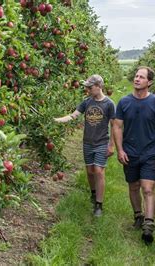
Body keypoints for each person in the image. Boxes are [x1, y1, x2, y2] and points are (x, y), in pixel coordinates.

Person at [112, 66, 155, 245]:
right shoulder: (124, 102)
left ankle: (149, 225)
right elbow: (117, 126)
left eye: (141, 77)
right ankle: (138, 215)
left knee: (147, 188)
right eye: (136, 76)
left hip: (150, 153)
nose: (137, 79)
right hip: (130, 152)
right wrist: (120, 149)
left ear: (149, 82)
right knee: (133, 186)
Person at [54, 74, 115, 217]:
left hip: (101, 142)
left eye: (90, 87)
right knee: (90, 171)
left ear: (99, 86)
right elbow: (73, 115)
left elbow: (115, 126)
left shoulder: (109, 104)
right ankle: (93, 194)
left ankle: (99, 205)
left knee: (98, 171)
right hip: (87, 142)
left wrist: (111, 145)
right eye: (86, 87)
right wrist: (58, 120)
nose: (87, 89)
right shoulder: (86, 102)